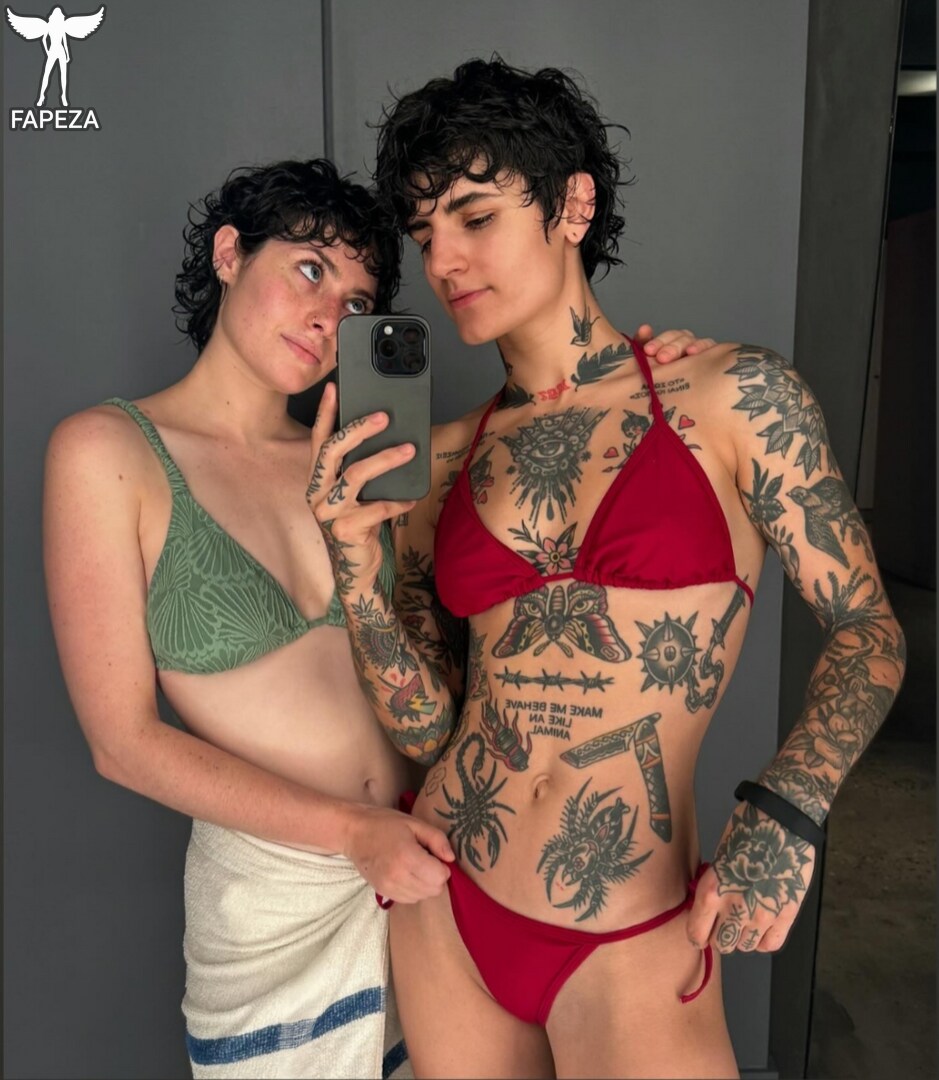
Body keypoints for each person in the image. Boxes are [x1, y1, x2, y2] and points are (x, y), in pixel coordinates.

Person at [42, 155, 705, 1080]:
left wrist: (640, 380)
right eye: (309, 270)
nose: (329, 317)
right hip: (280, 897)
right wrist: (353, 835)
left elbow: (540, 470)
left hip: (436, 863)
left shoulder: (374, 460)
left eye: (356, 302)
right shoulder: (108, 452)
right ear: (229, 254)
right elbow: (122, 743)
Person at [306, 59, 907, 1079]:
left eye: (473, 216)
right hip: (451, 895)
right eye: (423, 233)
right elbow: (428, 727)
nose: (443, 258)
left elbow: (868, 630)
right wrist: (357, 575)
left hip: (630, 922)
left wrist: (789, 807)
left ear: (573, 205)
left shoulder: (735, 398)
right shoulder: (442, 460)